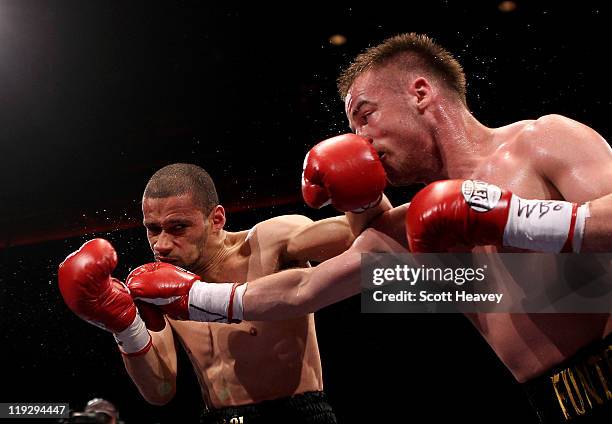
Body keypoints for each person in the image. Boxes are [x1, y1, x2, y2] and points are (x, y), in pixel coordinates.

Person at [125, 34, 612, 423]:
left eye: (365, 114)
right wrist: (192, 298)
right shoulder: (410, 224)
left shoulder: (541, 141)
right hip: (552, 402)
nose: (359, 139)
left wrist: (516, 219)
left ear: (420, 92)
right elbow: (304, 290)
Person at [58, 152, 389, 423]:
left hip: (296, 414)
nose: (162, 244)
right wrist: (125, 327)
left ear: (216, 219)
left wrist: (362, 195)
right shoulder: (153, 286)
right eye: (152, 229)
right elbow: (159, 391)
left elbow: (371, 244)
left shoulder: (269, 241)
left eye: (178, 228)